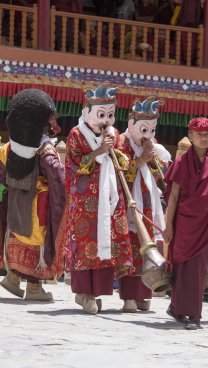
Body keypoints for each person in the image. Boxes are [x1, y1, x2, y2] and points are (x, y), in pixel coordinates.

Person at [61, 84, 133, 315]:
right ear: (87, 111)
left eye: (109, 115)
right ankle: (84, 293)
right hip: (85, 200)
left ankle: (98, 291)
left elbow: (124, 164)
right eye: (101, 115)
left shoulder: (114, 135)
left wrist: (113, 149)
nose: (105, 120)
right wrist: (99, 150)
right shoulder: (76, 134)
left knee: (108, 241)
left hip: (110, 196)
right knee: (85, 243)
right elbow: (73, 165)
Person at [163, 117, 208, 330]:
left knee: (197, 270)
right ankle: (177, 307)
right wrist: (169, 226)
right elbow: (173, 196)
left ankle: (193, 314)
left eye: (207, 135)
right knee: (182, 267)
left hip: (205, 225)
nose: (204, 138)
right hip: (184, 224)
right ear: (190, 136)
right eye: (199, 135)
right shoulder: (182, 163)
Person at [0, 89, 65, 301]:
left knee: (16, 233)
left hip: (16, 200)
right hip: (39, 203)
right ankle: (35, 287)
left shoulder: (9, 148)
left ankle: (12, 277)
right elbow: (57, 176)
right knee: (36, 238)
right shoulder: (44, 148)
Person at [116, 96, 171, 312]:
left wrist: (156, 161)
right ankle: (128, 297)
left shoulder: (152, 144)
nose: (148, 135)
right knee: (132, 249)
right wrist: (141, 161)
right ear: (132, 123)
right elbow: (118, 172)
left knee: (149, 248)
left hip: (149, 201)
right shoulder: (121, 141)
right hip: (129, 201)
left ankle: (144, 294)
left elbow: (159, 174)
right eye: (144, 129)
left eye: (152, 129)